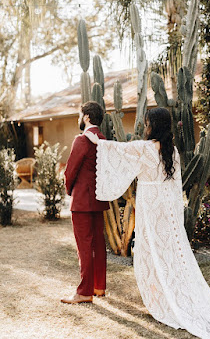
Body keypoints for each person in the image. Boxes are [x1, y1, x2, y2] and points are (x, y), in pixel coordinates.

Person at [85, 107, 210, 339]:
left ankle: (163, 299)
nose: (144, 126)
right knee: (167, 253)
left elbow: (117, 149)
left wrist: (95, 139)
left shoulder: (144, 148)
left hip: (150, 206)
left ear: (153, 125)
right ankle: (165, 294)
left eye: (146, 122)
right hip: (165, 209)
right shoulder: (171, 150)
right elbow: (175, 186)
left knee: (150, 252)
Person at [61, 101, 109, 304]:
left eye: (81, 115)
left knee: (84, 247)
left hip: (82, 201)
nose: (79, 118)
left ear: (87, 117)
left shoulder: (81, 140)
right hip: (98, 200)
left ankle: (84, 292)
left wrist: (68, 190)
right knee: (98, 244)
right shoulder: (103, 139)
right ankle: (99, 287)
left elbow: (70, 171)